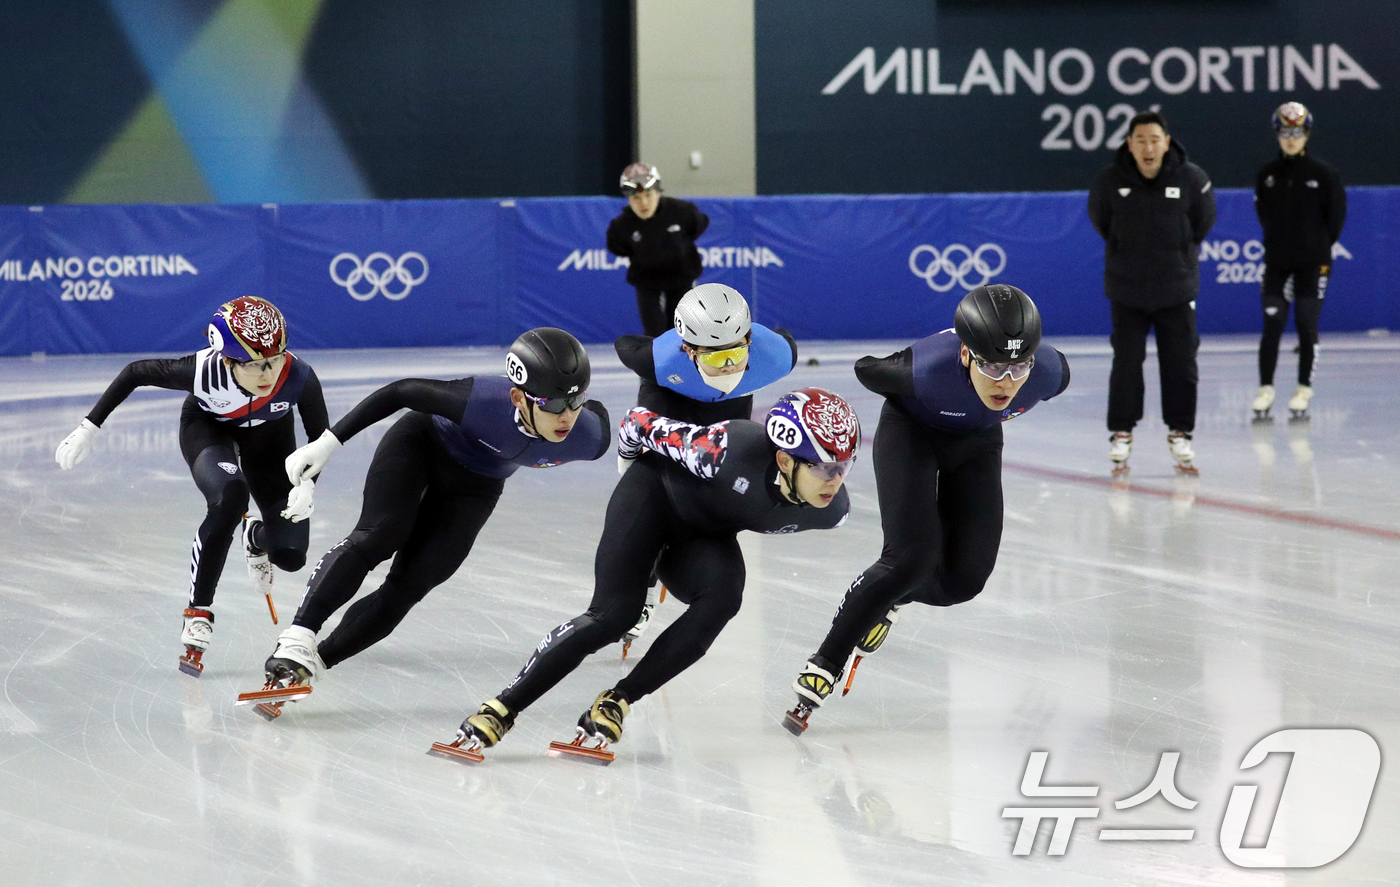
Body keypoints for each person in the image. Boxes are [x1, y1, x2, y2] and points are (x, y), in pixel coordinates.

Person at [442, 387, 860, 760]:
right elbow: (637, 423)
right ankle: (501, 707)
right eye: (825, 468)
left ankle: (616, 702)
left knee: (723, 598)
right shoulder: (725, 448)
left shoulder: (832, 511)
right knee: (614, 615)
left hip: (701, 535)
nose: (835, 480)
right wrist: (629, 482)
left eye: (844, 466)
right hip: (651, 500)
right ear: (785, 459)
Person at [252, 328, 610, 705]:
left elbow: (620, 430)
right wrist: (327, 443)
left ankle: (311, 664)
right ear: (518, 397)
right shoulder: (481, 400)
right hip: (421, 445)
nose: (566, 416)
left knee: (413, 582)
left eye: (576, 402)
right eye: (553, 405)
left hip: (478, 485)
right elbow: (401, 391)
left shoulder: (588, 436)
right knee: (380, 534)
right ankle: (298, 637)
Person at [782, 285, 1070, 734]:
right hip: (911, 431)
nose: (1006, 382)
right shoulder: (924, 371)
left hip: (976, 444)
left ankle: (890, 599)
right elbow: (866, 369)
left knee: (964, 581)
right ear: (964, 356)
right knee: (910, 557)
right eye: (992, 367)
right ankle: (826, 660)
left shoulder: (1049, 373)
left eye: (1018, 368)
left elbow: (1023, 373)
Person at [53, 296, 326, 677]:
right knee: (231, 497)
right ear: (227, 361)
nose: (268, 374)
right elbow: (135, 372)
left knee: (291, 555)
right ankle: (199, 611)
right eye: (254, 365)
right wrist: (88, 427)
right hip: (208, 430)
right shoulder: (201, 372)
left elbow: (319, 439)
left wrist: (308, 486)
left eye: (275, 359)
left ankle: (257, 538)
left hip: (271, 443)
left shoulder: (298, 377)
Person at [612, 282, 800, 647]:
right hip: (670, 399)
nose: (728, 364)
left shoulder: (775, 356)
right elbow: (627, 344)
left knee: (709, 496)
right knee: (650, 496)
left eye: (735, 353)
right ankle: (646, 581)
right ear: (688, 348)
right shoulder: (660, 361)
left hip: (726, 415)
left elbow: (785, 339)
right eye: (715, 356)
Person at [1088, 111, 1216, 473]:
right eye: (1140, 140)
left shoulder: (1192, 179)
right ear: (1129, 144)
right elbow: (1101, 220)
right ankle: (1122, 432)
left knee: (1181, 364)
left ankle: (1180, 432)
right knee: (1126, 364)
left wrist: (1177, 257)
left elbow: (1202, 222)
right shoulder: (1110, 181)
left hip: (1176, 290)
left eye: (1154, 140)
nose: (1148, 147)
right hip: (1127, 292)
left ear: (1166, 142)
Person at [1250, 102, 1346, 421]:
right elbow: (1264, 215)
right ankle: (1265, 388)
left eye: (1297, 132)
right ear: (1276, 134)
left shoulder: (1324, 175)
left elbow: (1335, 221)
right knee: (1272, 323)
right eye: (1285, 132)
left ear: (1307, 134)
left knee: (1306, 324)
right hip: (1277, 262)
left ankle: (1303, 388)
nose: (1291, 139)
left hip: (1312, 263)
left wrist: (1315, 248)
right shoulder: (1267, 176)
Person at [606, 162, 710, 336]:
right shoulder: (621, 226)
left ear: (658, 192)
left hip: (682, 276)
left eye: (648, 194)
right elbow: (617, 247)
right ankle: (657, 362)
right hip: (646, 281)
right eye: (636, 198)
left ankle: (682, 361)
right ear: (627, 199)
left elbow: (699, 225)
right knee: (654, 331)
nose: (643, 203)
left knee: (680, 329)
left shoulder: (683, 212)